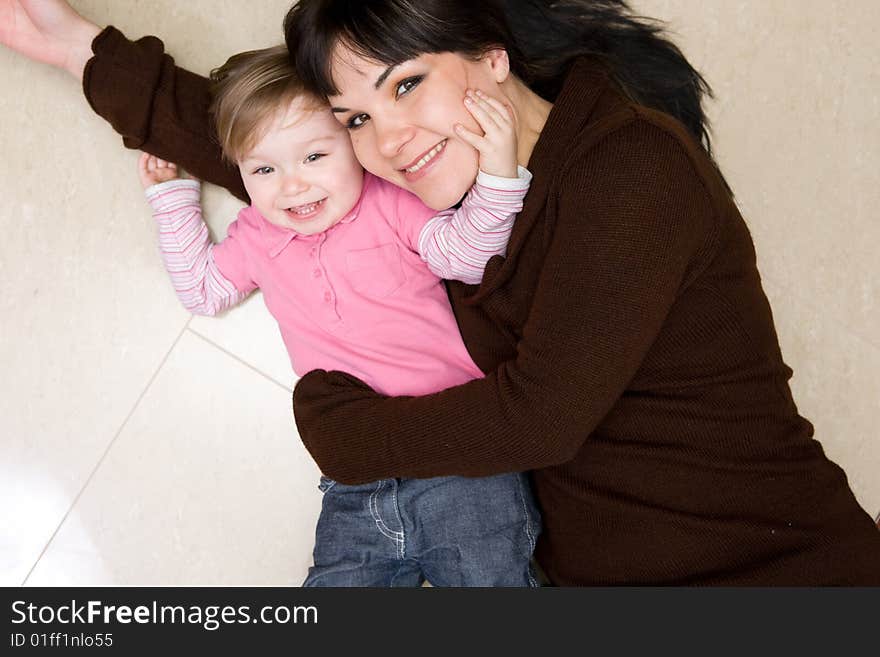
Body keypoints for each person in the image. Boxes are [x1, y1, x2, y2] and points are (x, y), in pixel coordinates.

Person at [2, 0, 879, 585]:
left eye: (407, 84)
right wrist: (78, 48)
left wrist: (349, 435)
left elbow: (539, 415)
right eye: (356, 117)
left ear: (490, 57)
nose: (386, 139)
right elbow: (281, 156)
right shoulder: (446, 194)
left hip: (774, 570)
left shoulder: (631, 170)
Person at [133, 44, 539, 587]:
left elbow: (469, 257)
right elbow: (204, 291)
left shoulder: (390, 202)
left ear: (354, 146)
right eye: (264, 168)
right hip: (358, 479)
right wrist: (173, 203)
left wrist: (498, 176)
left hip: (460, 464)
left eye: (314, 157)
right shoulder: (257, 234)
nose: (292, 185)